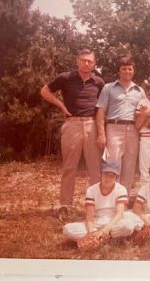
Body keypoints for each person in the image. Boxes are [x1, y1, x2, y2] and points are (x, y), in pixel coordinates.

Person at [40, 49, 104, 217]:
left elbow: (102, 109)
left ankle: (96, 206)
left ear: (94, 63)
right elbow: (44, 91)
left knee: (95, 168)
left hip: (92, 125)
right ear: (77, 61)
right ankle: (65, 205)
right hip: (72, 124)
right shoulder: (66, 78)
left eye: (90, 61)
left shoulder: (99, 82)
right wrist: (61, 106)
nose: (86, 63)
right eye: (83, 60)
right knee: (69, 167)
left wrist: (101, 132)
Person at [95, 55, 146, 193]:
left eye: (130, 69)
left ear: (133, 71)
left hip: (133, 129)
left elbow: (144, 113)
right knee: (113, 163)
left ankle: (124, 198)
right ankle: (111, 196)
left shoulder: (140, 91)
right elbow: (100, 112)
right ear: (119, 71)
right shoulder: (109, 88)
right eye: (124, 69)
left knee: (129, 165)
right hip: (114, 128)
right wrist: (101, 134)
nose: (127, 72)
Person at [62, 159, 141, 242]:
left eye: (112, 176)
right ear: (100, 174)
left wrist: (105, 230)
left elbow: (119, 214)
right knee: (67, 229)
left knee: (127, 226)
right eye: (106, 174)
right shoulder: (91, 190)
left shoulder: (121, 189)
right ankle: (104, 238)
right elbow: (90, 217)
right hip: (97, 222)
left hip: (113, 221)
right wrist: (91, 232)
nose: (108, 178)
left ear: (116, 177)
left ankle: (101, 238)